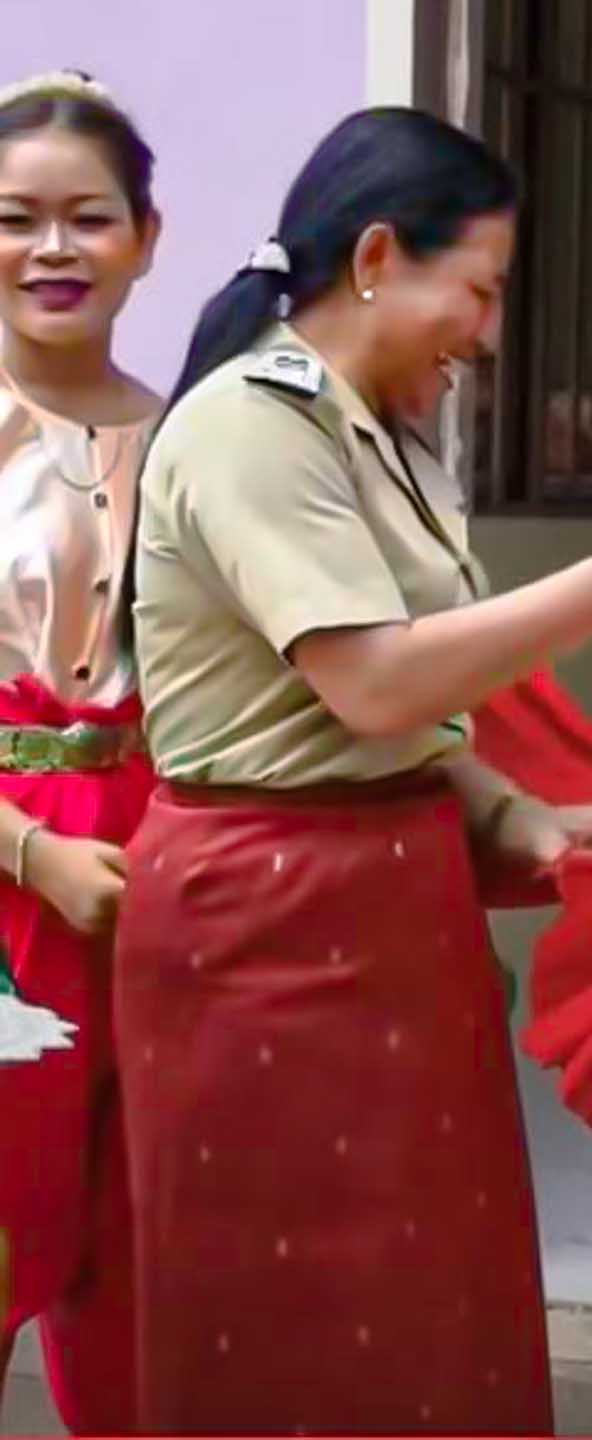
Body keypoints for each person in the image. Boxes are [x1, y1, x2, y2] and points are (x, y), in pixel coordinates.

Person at [115, 106, 592, 1434]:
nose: (489, 331)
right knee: (285, 1325)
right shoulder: (250, 427)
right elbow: (378, 679)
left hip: (380, 918)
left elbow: (396, 729)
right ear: (379, 256)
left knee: (426, 1314)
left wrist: (530, 820)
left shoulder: (380, 441)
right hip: (262, 934)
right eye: (481, 289)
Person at [0, 68, 160, 1436]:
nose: (54, 250)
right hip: (12, 873)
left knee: (146, 1246)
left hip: (163, 870)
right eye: (16, 218)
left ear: (145, 238)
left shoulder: (197, 440)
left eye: (88, 218)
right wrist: (32, 851)